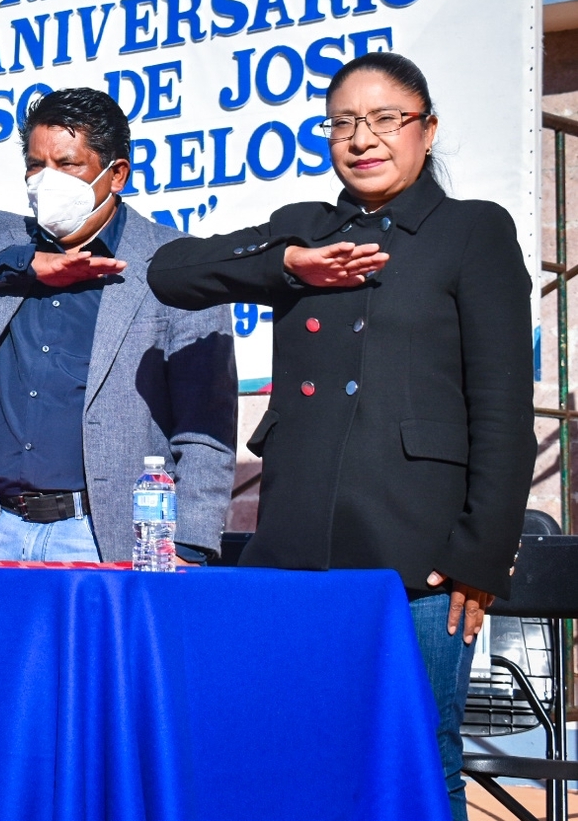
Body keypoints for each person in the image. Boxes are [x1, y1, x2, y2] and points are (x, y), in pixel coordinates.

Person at [145, 52, 534, 821]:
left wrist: (477, 560)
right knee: (291, 747)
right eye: (344, 122)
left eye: (386, 119)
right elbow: (171, 271)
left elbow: (502, 409)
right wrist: (289, 263)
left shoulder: (471, 231)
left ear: (426, 129)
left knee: (422, 757)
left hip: (417, 558)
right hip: (294, 545)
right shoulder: (304, 230)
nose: (364, 138)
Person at [0, 88, 237, 563]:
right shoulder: (3, 240)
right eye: (35, 165)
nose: (46, 181)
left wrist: (189, 548)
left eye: (67, 165)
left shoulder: (172, 264)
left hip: (106, 537)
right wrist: (29, 264)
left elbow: (204, 425)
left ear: (116, 174)